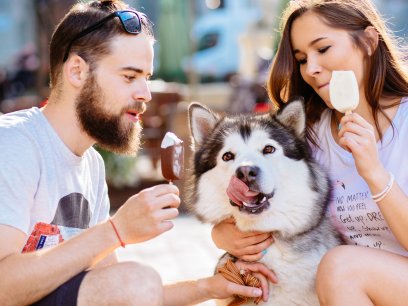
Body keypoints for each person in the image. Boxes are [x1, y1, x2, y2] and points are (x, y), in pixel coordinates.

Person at [0, 0, 276, 305]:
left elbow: (120, 296)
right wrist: (116, 230)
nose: (144, 93)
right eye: (130, 77)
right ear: (77, 71)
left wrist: (209, 287)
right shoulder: (13, 143)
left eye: (146, 77)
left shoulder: (90, 165)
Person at [211, 0, 408, 305]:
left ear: (369, 41)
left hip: (371, 278)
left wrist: (374, 173)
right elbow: (267, 207)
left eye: (323, 49)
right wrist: (223, 236)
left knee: (341, 267)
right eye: (302, 59)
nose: (312, 69)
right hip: (352, 292)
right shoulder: (311, 139)